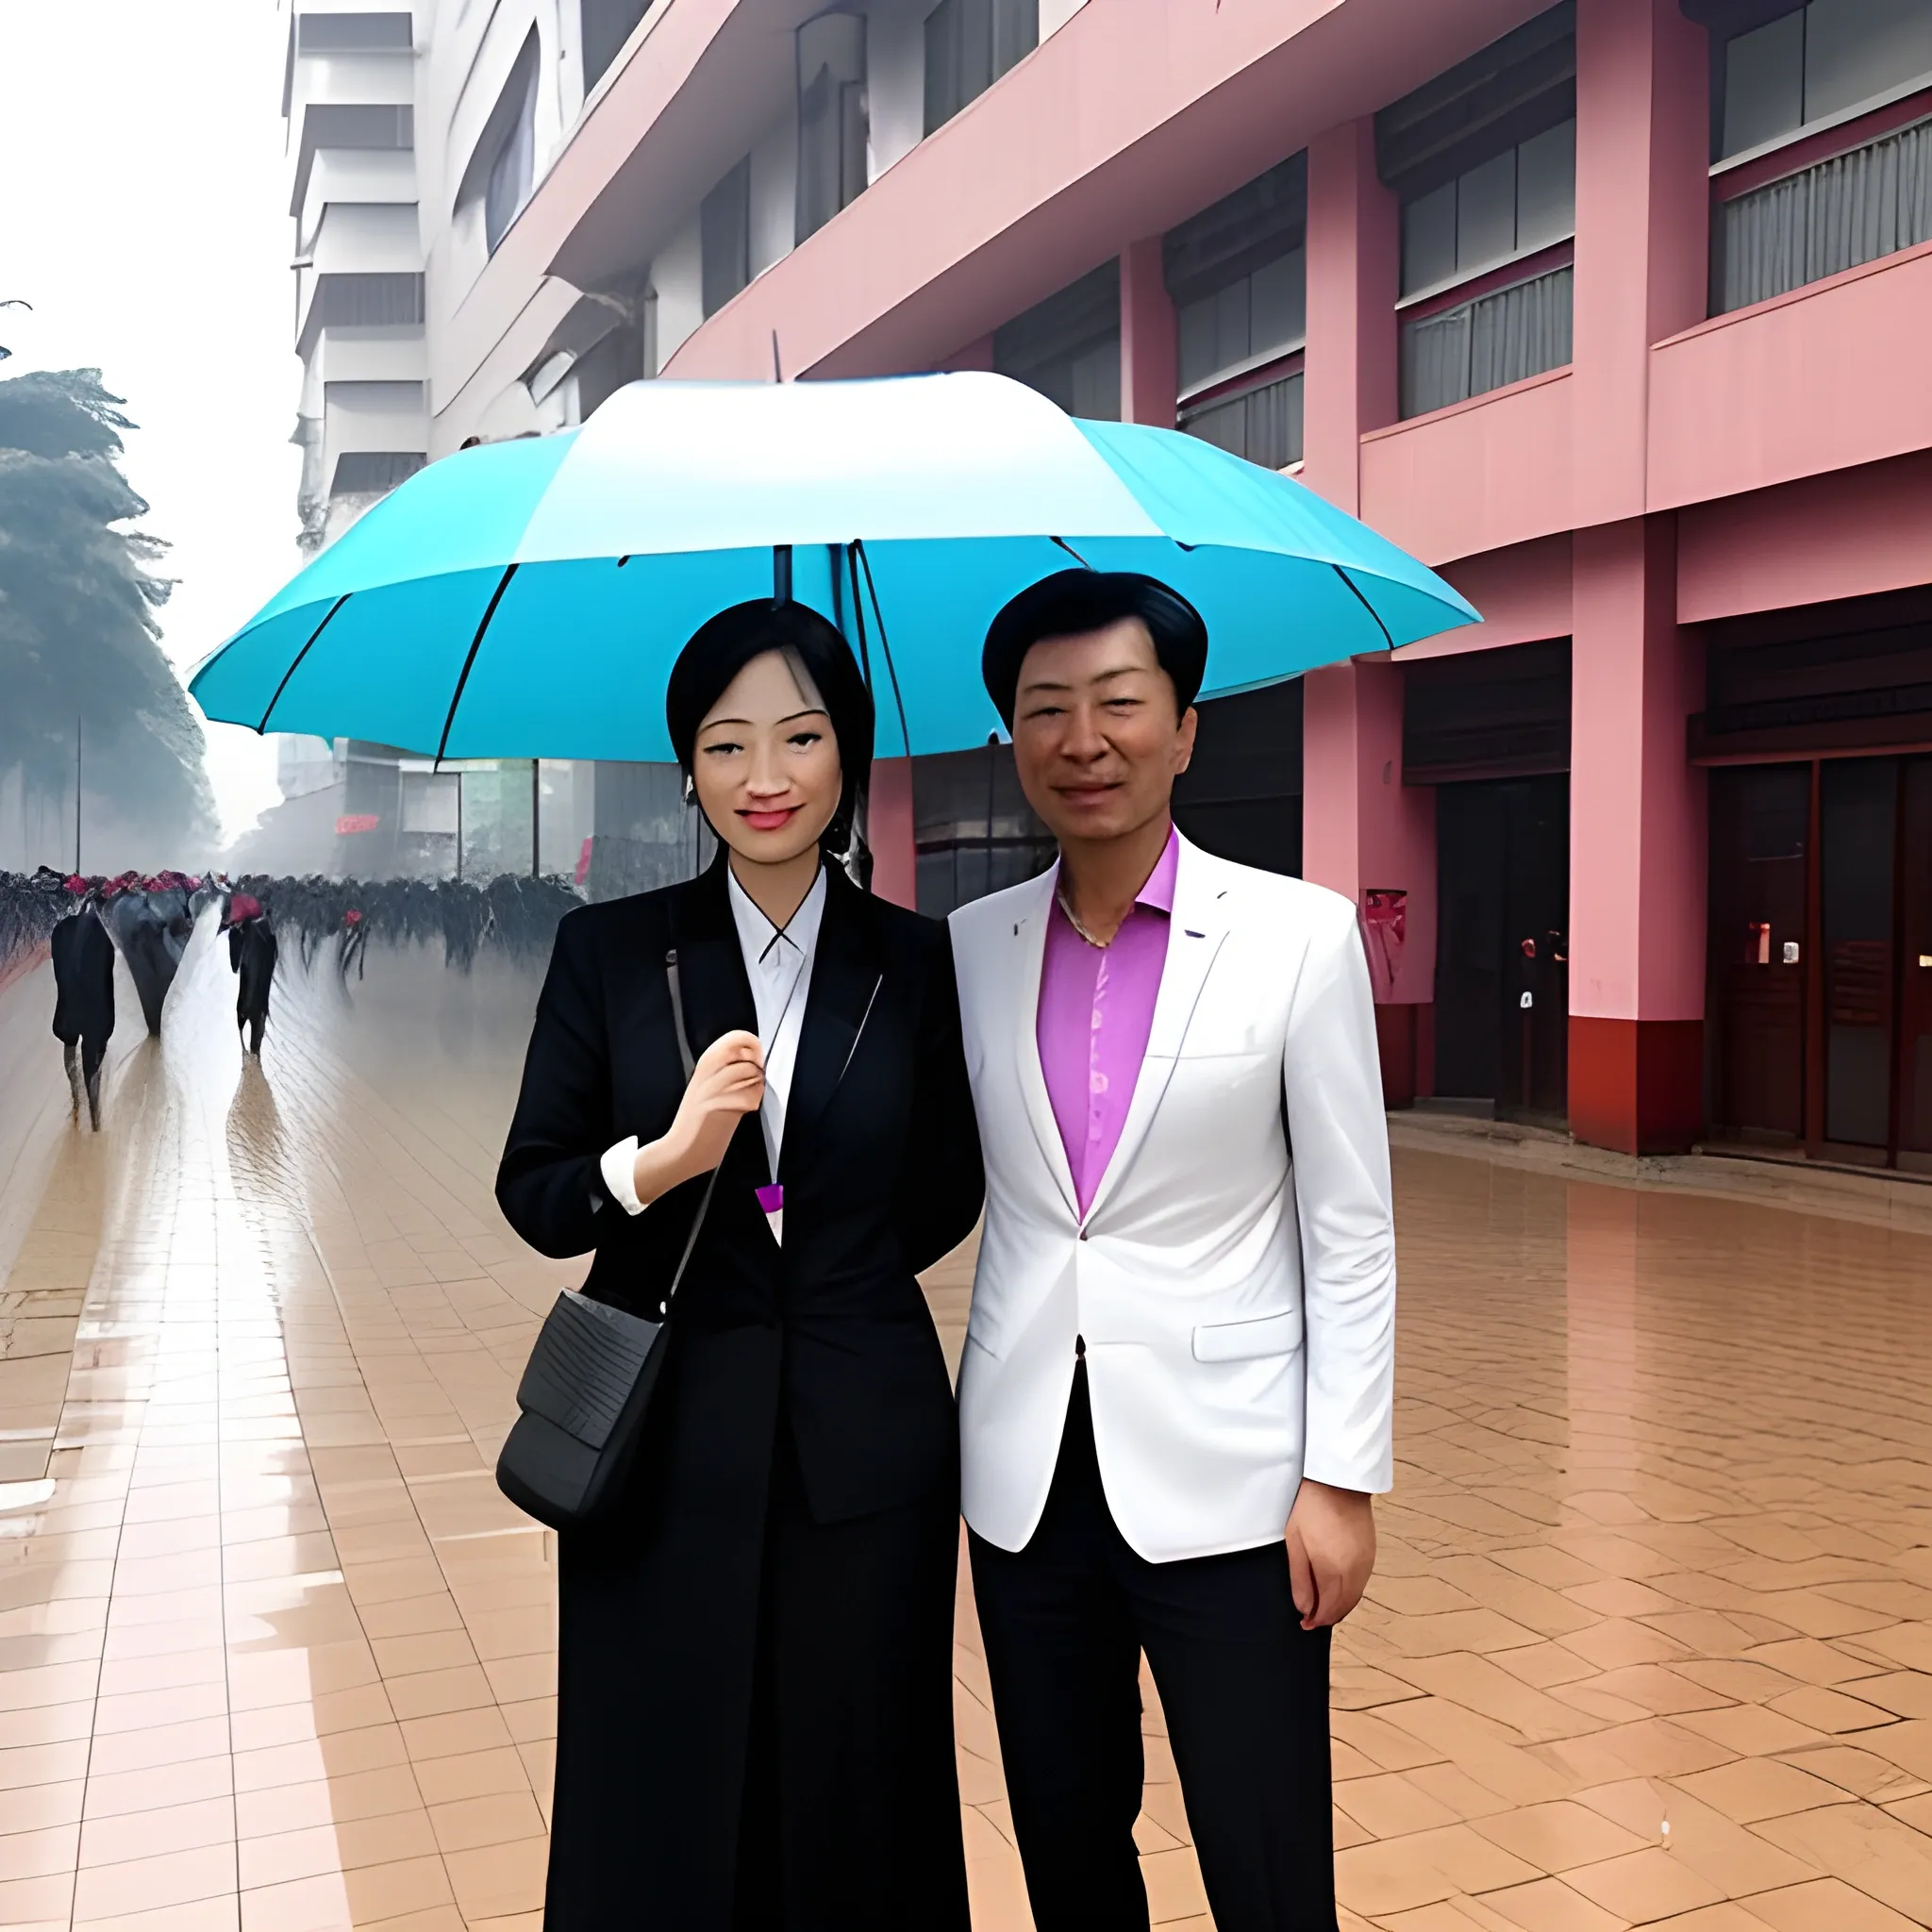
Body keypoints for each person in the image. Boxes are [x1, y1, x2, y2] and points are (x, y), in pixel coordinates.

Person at [496, 599, 984, 1931]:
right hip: (658, 1448)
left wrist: (822, 1260)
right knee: (657, 1775)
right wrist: (661, 1161)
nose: (763, 780)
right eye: (725, 746)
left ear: (850, 754)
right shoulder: (608, 952)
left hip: (865, 1444)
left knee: (860, 1779)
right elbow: (535, 1191)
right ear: (688, 768)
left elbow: (946, 1184)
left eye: (800, 738)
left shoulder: (921, 962)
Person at [948, 571, 1395, 1932]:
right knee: (1070, 1849)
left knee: (1264, 1856)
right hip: (1027, 1482)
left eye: (1120, 704)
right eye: (1046, 711)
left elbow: (1352, 1229)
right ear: (1011, 740)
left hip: (1240, 1485)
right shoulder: (968, 947)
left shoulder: (1296, 938)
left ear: (1185, 729)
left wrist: (1343, 1476)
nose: (1084, 740)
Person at [50, 879, 116, 1131]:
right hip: (96, 1012)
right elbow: (106, 980)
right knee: (92, 1063)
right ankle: (95, 1115)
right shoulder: (104, 936)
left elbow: (59, 972)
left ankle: (76, 1101)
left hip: (68, 1006)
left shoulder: (62, 929)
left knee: (70, 1046)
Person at [225, 892, 277, 1057]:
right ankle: (256, 1059)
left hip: (246, 998)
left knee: (239, 1038)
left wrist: (234, 935)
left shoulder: (244, 936)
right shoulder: (269, 933)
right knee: (256, 1040)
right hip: (263, 998)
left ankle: (245, 1062)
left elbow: (236, 967)